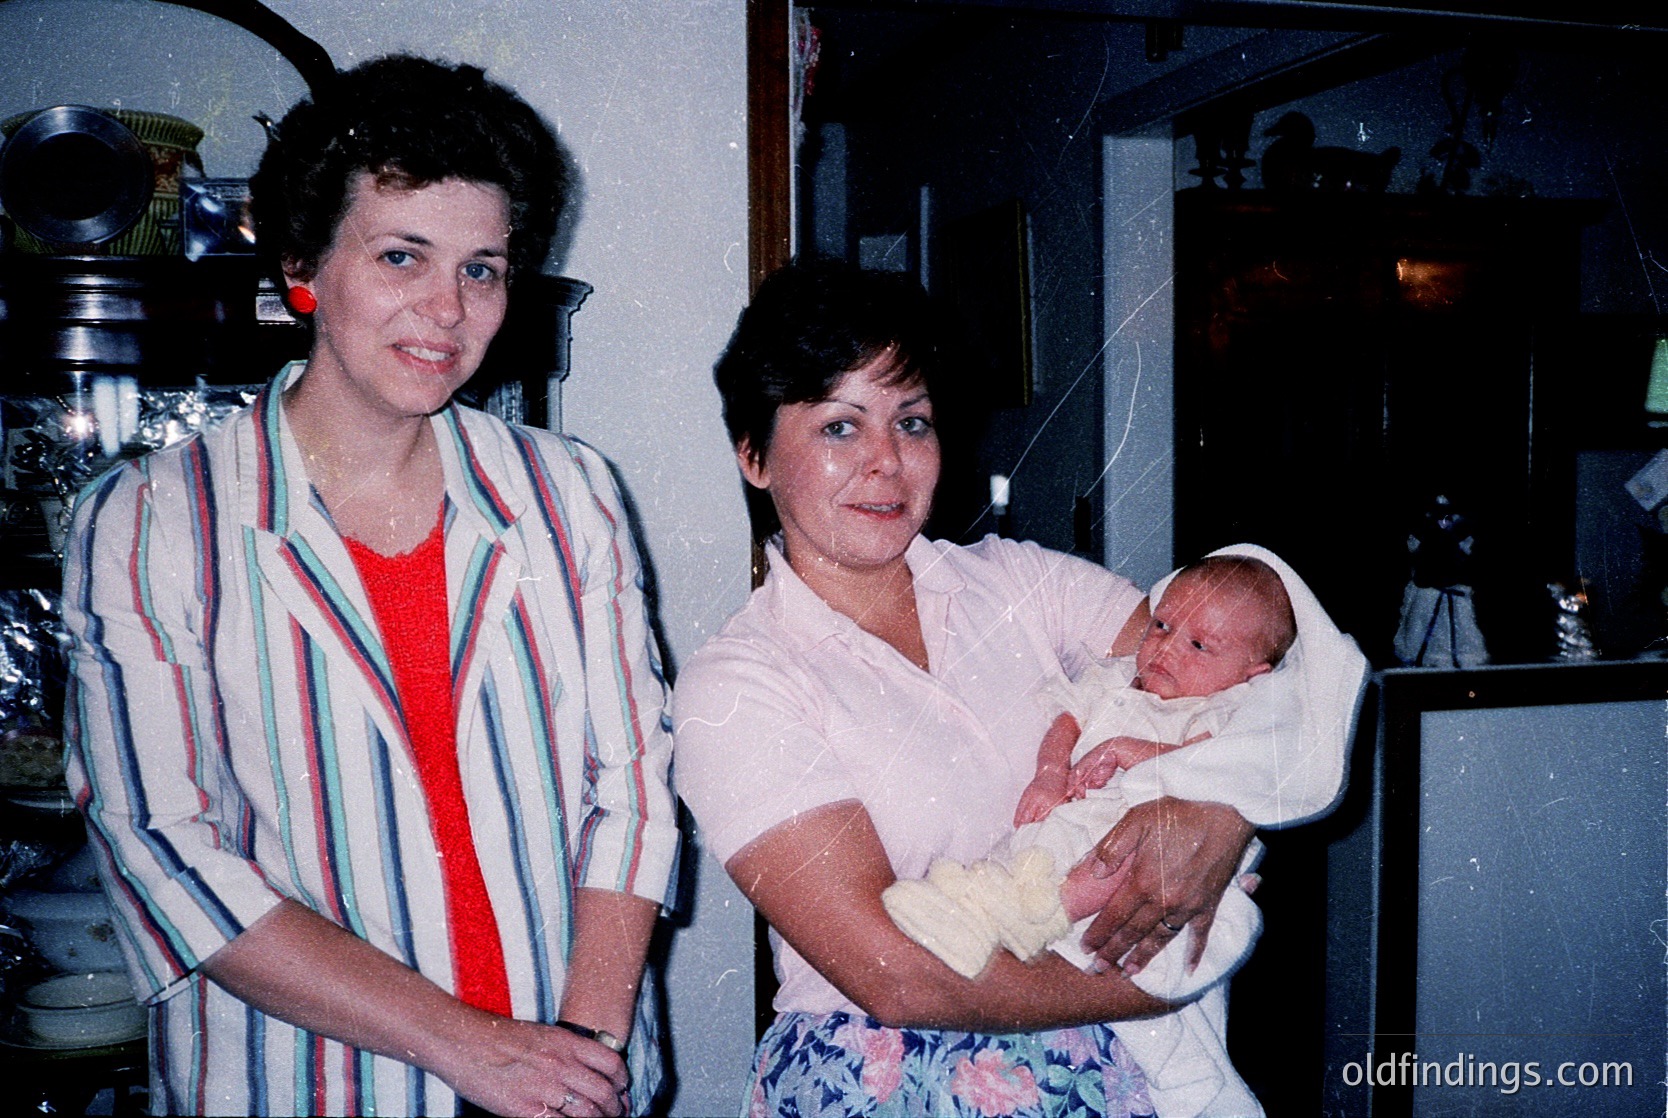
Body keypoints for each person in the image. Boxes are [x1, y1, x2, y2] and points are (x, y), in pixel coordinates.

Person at [61, 55, 677, 1118]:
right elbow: (168, 851)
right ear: (304, 259)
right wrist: (475, 1048)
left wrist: (577, 1053)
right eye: (403, 256)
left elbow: (629, 789)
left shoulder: (568, 491)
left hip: (572, 1076)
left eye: (482, 268)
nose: (447, 310)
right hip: (303, 1086)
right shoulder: (156, 518)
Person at [672, 260, 1353, 1118]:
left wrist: (1219, 814)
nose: (887, 462)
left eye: (911, 422)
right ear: (755, 456)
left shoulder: (1023, 583)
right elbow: (896, 976)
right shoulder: (738, 683)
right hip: (890, 1078)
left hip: (1112, 1071)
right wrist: (1155, 991)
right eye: (840, 428)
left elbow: (1259, 673)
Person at [883, 551, 1343, 1117]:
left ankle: (1008, 920)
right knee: (1025, 861)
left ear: (1254, 674)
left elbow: (1225, 770)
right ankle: (982, 913)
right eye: (1161, 625)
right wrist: (1051, 775)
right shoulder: (1115, 678)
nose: (1166, 648)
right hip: (1071, 825)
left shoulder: (1233, 710)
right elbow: (1066, 721)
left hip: (1139, 856)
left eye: (1199, 646)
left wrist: (1135, 752)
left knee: (1120, 931)